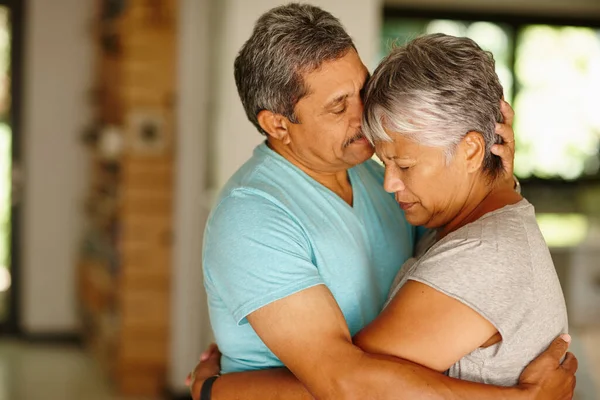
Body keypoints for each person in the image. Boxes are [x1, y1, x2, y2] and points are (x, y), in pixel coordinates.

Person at [188, 4, 577, 400]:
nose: (364, 114)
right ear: (278, 124)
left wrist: (491, 171)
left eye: (363, 89)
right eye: (339, 106)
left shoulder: (379, 180)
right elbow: (344, 383)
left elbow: (478, 246)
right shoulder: (252, 217)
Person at [351, 33, 569, 386]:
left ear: (470, 152)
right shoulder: (482, 224)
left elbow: (342, 386)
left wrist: (228, 385)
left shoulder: (482, 258)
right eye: (384, 162)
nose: (389, 183)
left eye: (404, 165)